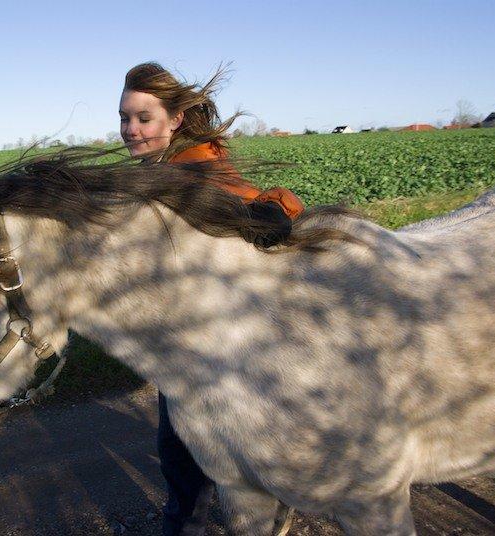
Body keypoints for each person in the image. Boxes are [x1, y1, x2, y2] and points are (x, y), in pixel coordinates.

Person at [118, 62, 303, 535]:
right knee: (180, 446)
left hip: (218, 341)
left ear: (175, 119)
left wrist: (270, 214)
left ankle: (208, 522)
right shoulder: (156, 169)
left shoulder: (196, 167)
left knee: (189, 447)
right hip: (180, 335)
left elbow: (261, 204)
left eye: (143, 118)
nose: (131, 130)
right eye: (125, 118)